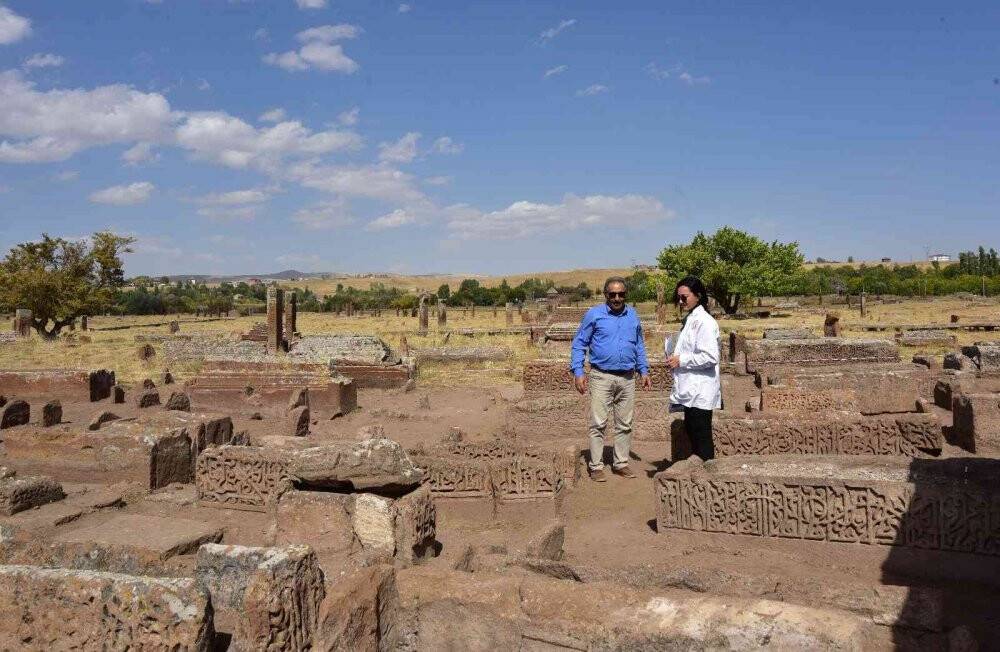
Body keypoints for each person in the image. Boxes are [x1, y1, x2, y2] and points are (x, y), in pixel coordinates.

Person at [571, 277, 652, 481]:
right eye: (613, 294)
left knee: (624, 424)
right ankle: (596, 466)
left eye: (621, 294)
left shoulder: (633, 315)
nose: (617, 298)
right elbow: (579, 343)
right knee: (598, 423)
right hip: (601, 376)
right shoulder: (594, 315)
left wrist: (644, 370)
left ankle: (621, 463)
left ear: (626, 295)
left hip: (627, 377)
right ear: (606, 295)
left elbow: (639, 345)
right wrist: (578, 372)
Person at [665, 276, 721, 460]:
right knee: (693, 433)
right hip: (691, 389)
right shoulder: (691, 320)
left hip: (700, 390)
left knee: (701, 437)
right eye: (678, 298)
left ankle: (708, 477)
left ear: (698, 296)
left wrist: (682, 360)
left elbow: (711, 356)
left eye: (684, 297)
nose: (681, 302)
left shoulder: (704, 321)